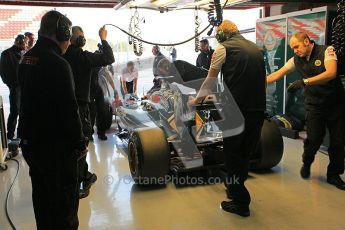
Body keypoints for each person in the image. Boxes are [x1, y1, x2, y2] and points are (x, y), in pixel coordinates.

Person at [189, 20, 266, 217]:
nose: (216, 36)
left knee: (232, 154)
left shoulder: (223, 48)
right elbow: (263, 81)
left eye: (217, 33)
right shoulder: (256, 49)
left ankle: (241, 203)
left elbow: (210, 80)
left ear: (223, 34)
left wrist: (196, 100)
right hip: (257, 109)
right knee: (245, 154)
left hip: (236, 111)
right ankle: (234, 188)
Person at [18, 10, 87, 229]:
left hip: (32, 145)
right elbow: (69, 109)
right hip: (56, 151)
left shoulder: (26, 59)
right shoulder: (58, 64)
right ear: (63, 32)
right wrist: (80, 143)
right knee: (64, 209)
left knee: (43, 201)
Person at [267, 32, 345, 190]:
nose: (295, 50)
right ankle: (307, 160)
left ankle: (334, 175)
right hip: (315, 105)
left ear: (307, 41)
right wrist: (256, 81)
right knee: (315, 138)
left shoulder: (326, 51)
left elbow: (331, 73)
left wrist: (305, 81)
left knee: (338, 141)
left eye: (296, 46)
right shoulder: (296, 60)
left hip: (335, 104)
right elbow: (277, 74)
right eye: (292, 48)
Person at [63, 25, 115, 198]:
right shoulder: (82, 57)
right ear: (78, 39)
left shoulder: (61, 55)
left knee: (73, 143)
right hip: (81, 107)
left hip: (66, 106)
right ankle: (80, 182)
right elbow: (109, 57)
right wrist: (104, 38)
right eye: (82, 36)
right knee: (81, 144)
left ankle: (84, 176)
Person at [0, 34, 26, 140]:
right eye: (24, 43)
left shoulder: (24, 53)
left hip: (24, 86)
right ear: (18, 42)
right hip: (15, 87)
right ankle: (10, 135)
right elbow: (3, 72)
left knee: (24, 112)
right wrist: (12, 84)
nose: (25, 45)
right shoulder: (7, 54)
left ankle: (20, 135)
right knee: (15, 111)